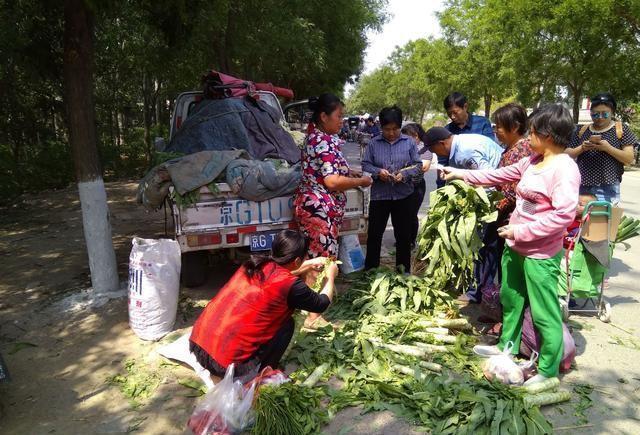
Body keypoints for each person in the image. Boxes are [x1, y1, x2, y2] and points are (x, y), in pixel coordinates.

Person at [443, 103, 581, 386]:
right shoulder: (532, 160)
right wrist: (462, 175)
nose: (528, 138)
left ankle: (547, 370)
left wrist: (522, 231)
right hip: (514, 247)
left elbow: (563, 215)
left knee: (544, 313)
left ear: (549, 135)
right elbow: (497, 175)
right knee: (512, 302)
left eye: (532, 132)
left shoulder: (565, 169)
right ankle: (506, 347)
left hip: (540, 253)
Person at [189, 230, 338, 380]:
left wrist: (309, 264)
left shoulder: (254, 264)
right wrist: (330, 277)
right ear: (298, 260)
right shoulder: (291, 285)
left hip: (199, 347)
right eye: (306, 257)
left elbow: (281, 273)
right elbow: (321, 304)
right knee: (287, 325)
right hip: (225, 365)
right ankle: (266, 371)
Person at [294, 93, 373, 260]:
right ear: (324, 116)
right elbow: (332, 181)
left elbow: (321, 168)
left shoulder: (316, 137)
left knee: (316, 260)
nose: (342, 121)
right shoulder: (323, 140)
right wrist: (361, 181)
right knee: (321, 263)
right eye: (339, 116)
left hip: (314, 208)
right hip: (319, 211)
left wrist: (347, 171)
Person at [474, 104, 533, 295]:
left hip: (512, 219)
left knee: (507, 267)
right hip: (504, 215)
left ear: (514, 127)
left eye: (499, 126)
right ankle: (498, 303)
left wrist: (493, 210)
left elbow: (513, 190)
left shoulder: (521, 150)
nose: (496, 131)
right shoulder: (511, 148)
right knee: (500, 263)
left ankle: (507, 310)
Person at [362, 106, 423, 272]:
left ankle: (403, 271)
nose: (391, 133)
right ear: (381, 127)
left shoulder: (409, 142)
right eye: (387, 129)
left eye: (395, 129)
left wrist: (404, 175)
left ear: (400, 126)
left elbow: (418, 165)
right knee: (375, 234)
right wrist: (377, 172)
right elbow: (366, 164)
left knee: (403, 236)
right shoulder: (374, 143)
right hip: (380, 196)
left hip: (404, 195)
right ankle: (370, 270)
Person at [566, 93, 637, 205]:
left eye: (604, 114)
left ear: (612, 112)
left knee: (601, 221)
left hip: (608, 187)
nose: (599, 118)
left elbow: (629, 158)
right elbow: (566, 155)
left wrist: (608, 148)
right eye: (595, 114)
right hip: (580, 185)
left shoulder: (621, 129)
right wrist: (582, 148)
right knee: (578, 220)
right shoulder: (581, 130)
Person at [435, 92, 496, 187]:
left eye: (455, 112)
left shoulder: (482, 123)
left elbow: (490, 151)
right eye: (449, 113)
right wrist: (440, 187)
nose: (452, 117)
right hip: (458, 184)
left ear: (465, 107)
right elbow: (442, 163)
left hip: (484, 181)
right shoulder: (447, 131)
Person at [401, 122, 436, 245]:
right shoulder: (402, 146)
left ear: (416, 136)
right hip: (401, 186)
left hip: (416, 187)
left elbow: (424, 167)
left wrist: (403, 171)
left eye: (406, 137)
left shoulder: (424, 148)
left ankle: (411, 241)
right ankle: (401, 238)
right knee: (401, 214)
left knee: (411, 214)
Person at [423, 127, 502, 171]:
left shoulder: (465, 152)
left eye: (433, 150)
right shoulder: (460, 141)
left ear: (441, 143)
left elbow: (486, 177)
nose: (435, 154)